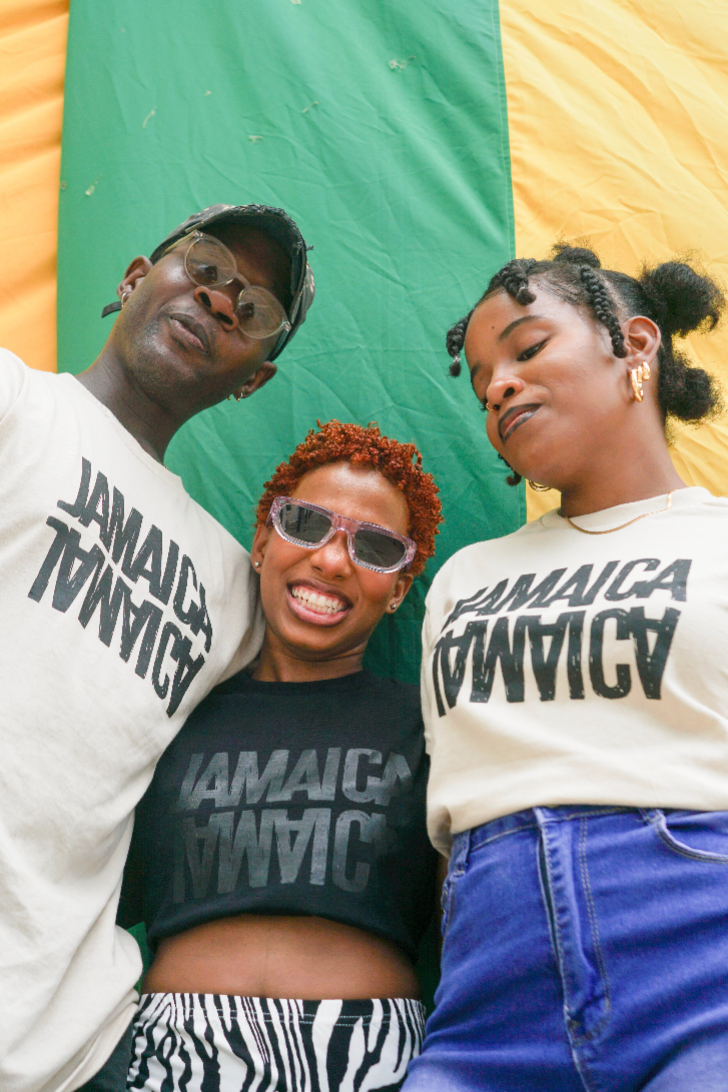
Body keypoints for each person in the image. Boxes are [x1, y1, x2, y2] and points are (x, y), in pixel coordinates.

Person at [0, 202, 314, 1092]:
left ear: (254, 378)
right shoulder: (16, 403)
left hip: (76, 1043)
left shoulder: (234, 590)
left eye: (254, 309)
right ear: (137, 276)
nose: (220, 300)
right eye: (204, 266)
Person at [403, 245, 728, 1091]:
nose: (498, 388)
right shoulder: (465, 578)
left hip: (704, 969)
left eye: (528, 348)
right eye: (482, 382)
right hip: (489, 1001)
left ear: (636, 344)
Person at [118, 420, 443, 1092]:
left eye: (376, 547)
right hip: (178, 1057)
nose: (332, 560)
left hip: (368, 1058)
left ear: (399, 589)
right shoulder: (165, 714)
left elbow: (474, 926)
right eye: (306, 523)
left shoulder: (430, 727)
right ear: (263, 542)